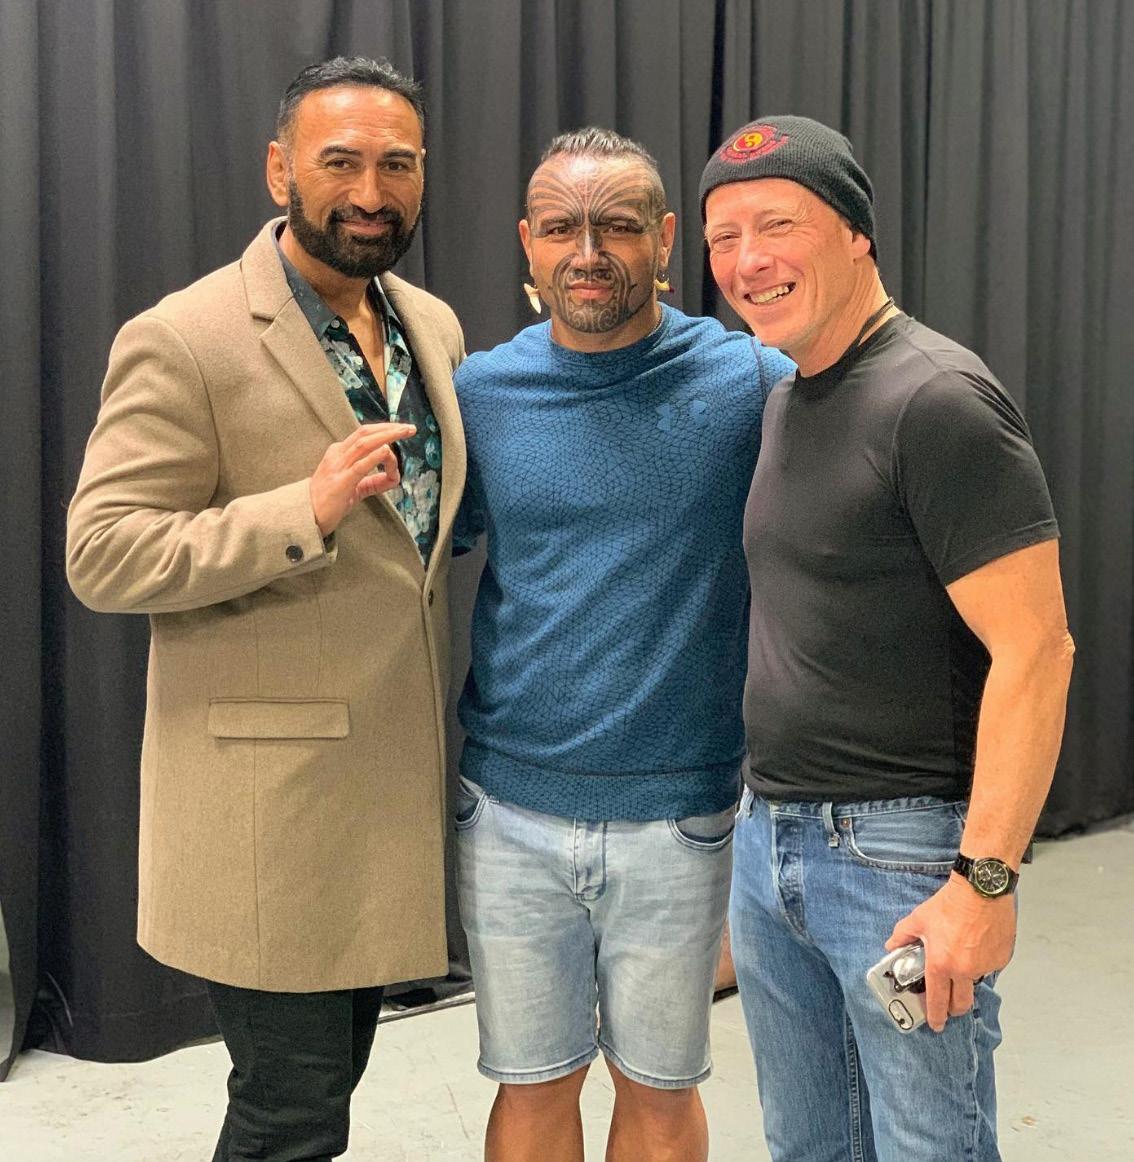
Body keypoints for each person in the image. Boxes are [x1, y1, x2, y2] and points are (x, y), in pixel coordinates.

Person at [66, 57, 465, 1161]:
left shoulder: (431, 324)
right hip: (267, 812)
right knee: (290, 1113)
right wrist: (306, 509)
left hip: (387, 799)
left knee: (316, 1099)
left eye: (397, 164)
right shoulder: (184, 336)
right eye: (341, 162)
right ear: (280, 170)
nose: (371, 193)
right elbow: (101, 554)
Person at [700, 115, 1075, 1161]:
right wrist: (761, 856)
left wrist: (986, 883)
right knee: (808, 1146)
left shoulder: (937, 400)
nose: (748, 260)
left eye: (778, 224)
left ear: (857, 232)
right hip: (773, 841)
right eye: (725, 237)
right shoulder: (790, 397)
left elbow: (1038, 651)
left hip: (898, 859)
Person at [452, 128, 793, 1162]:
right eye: (561, 228)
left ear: (665, 237)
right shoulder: (480, 395)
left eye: (618, 226)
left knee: (659, 1091)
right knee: (530, 1086)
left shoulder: (751, 383)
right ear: (528, 241)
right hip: (507, 812)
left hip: (682, 814)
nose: (588, 252)